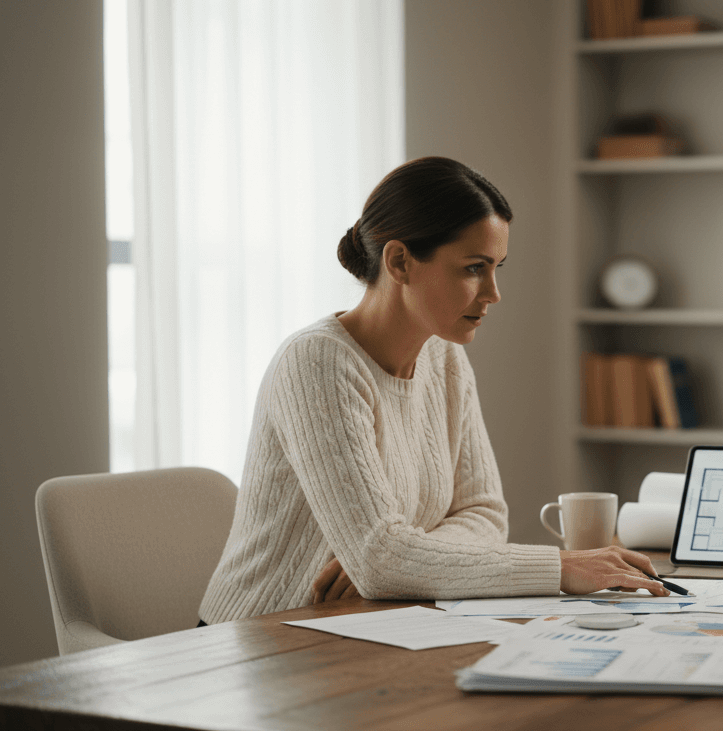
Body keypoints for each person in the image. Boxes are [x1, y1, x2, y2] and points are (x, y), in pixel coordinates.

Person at [199, 157, 666, 625]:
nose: (493, 292)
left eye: (497, 266)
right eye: (473, 268)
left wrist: (407, 559)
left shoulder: (444, 358)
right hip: (257, 637)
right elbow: (380, 559)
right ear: (400, 261)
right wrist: (562, 566)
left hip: (365, 623)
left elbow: (484, 514)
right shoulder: (316, 363)